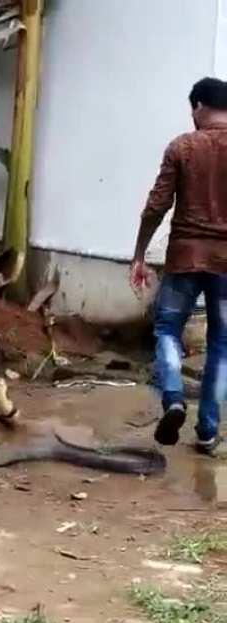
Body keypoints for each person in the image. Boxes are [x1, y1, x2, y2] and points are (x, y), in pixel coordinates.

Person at [130, 77, 227, 454]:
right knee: (222, 342)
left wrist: (139, 253)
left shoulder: (183, 147)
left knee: (168, 328)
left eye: (192, 109)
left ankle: (172, 396)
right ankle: (207, 431)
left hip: (185, 259)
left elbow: (157, 205)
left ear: (199, 106)